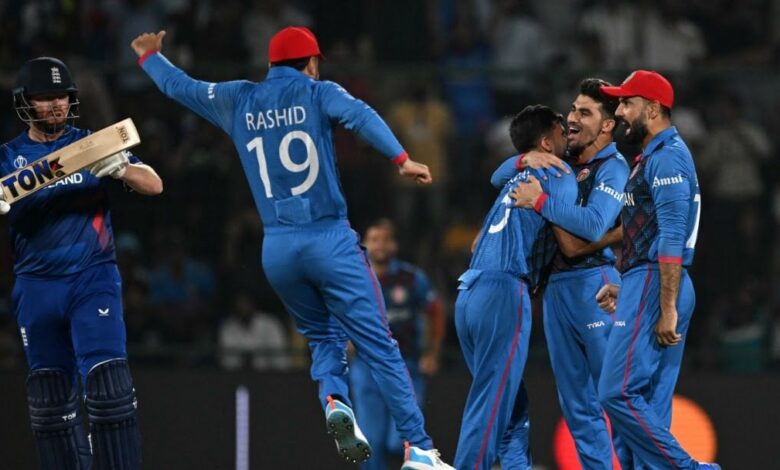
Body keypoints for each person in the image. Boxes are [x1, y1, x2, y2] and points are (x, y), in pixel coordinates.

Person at [130, 27, 453, 469]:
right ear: (312, 62)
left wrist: (150, 57)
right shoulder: (319, 92)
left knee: (323, 335)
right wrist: (401, 158)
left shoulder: (239, 97)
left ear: (270, 65)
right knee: (379, 344)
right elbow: (361, 116)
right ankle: (419, 448)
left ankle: (334, 400)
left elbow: (180, 87)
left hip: (278, 248)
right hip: (328, 238)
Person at [0, 57, 163, 470]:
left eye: (61, 96)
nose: (55, 105)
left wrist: (121, 168)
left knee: (110, 391)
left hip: (92, 280)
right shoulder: (7, 158)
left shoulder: (92, 144)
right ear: (25, 102)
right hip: (36, 287)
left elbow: (154, 183)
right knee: (50, 405)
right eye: (45, 97)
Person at [501, 78, 631, 469]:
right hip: (555, 290)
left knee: (617, 397)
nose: (571, 118)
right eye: (572, 109)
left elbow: (592, 226)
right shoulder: (562, 160)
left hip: (596, 285)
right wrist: (525, 159)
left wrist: (540, 201)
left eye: (584, 113)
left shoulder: (612, 167)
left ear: (607, 125)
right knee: (576, 405)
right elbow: (497, 177)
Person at [593, 70, 719, 469]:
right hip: (649, 280)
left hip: (657, 280)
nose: (619, 112)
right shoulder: (653, 156)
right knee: (648, 403)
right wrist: (628, 283)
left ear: (652, 108)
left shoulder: (666, 157)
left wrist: (665, 307)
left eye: (626, 103)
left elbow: (671, 236)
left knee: (617, 392)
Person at [454, 104, 577, 470]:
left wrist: (522, 160)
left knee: (510, 403)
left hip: (470, 290)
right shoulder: (558, 173)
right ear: (546, 143)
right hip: (503, 292)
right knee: (491, 404)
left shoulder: (515, 177)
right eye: (560, 130)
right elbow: (572, 238)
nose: (567, 134)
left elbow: (496, 178)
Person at [350, 219, 445, 470]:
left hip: (406, 365)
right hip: (366, 367)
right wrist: (343, 340)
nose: (380, 245)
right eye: (374, 239)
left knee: (400, 441)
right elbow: (336, 311)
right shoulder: (354, 278)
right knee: (369, 444)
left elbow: (436, 311)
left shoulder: (411, 278)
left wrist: (432, 353)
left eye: (385, 240)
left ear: (394, 245)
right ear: (364, 244)